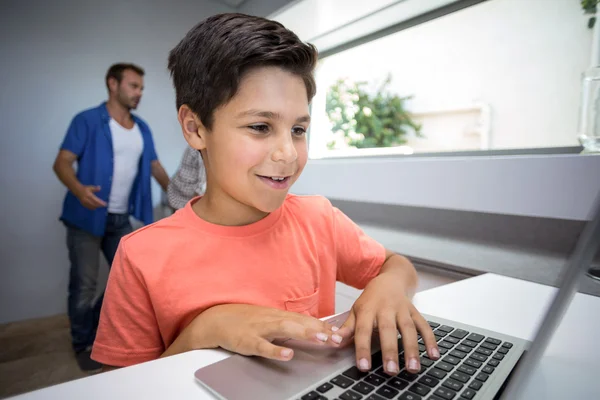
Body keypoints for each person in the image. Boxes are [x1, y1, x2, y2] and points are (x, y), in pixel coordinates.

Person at [91, 14, 439, 378]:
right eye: (260, 127)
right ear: (195, 129)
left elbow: (396, 265)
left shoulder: (319, 219)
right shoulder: (141, 255)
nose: (288, 153)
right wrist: (203, 330)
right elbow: (122, 387)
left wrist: (389, 286)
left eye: (299, 129)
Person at [52, 63, 170, 371]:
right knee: (84, 285)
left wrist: (177, 194)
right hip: (86, 217)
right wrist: (78, 189)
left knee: (127, 283)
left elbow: (155, 165)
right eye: (133, 86)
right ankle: (81, 343)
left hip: (120, 218)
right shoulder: (87, 120)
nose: (139, 93)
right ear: (112, 84)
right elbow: (62, 162)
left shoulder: (142, 128)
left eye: (141, 88)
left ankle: (92, 328)